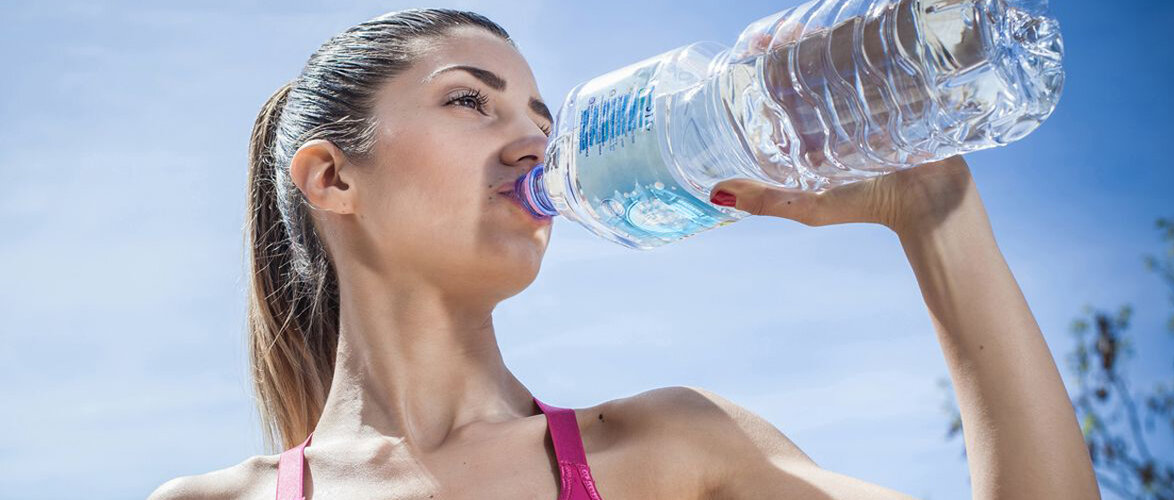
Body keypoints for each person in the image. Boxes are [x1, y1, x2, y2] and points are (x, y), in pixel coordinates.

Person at [148, 7, 1100, 500]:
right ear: (332, 179)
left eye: (544, 121)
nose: (531, 146)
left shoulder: (667, 452)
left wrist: (938, 215)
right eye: (469, 101)